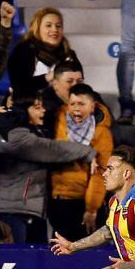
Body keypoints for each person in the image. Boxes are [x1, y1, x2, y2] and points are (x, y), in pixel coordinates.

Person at [0, 94, 96, 243]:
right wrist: (89, 152)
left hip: (33, 212)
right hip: (13, 212)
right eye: (37, 107)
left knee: (36, 264)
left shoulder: (38, 132)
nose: (43, 111)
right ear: (23, 111)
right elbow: (52, 149)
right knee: (17, 261)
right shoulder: (16, 136)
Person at [49, 83, 113, 241]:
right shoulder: (58, 121)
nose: (76, 109)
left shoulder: (102, 133)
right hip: (58, 200)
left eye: (82, 104)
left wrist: (91, 209)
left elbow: (100, 173)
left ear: (92, 107)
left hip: (83, 203)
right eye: (72, 104)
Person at [8, 7, 79, 99]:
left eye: (58, 26)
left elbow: (79, 85)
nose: (54, 30)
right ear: (38, 29)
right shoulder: (23, 51)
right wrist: (46, 78)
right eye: (48, 25)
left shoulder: (69, 53)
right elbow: (19, 86)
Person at [39, 59, 83, 133]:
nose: (75, 85)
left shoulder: (91, 97)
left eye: (79, 81)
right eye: (69, 81)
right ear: (55, 84)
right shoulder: (42, 107)